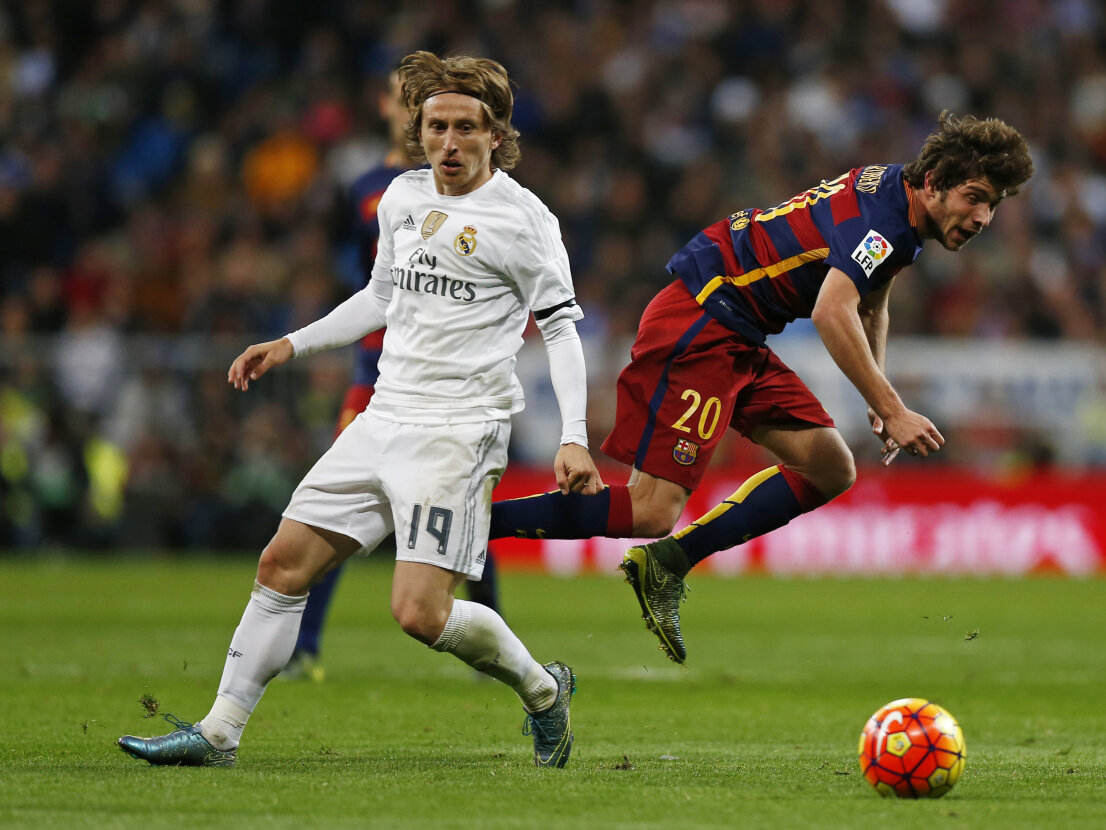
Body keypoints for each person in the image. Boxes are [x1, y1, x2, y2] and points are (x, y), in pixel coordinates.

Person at [118, 51, 603, 769]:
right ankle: (219, 733)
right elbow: (380, 297)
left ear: (495, 135)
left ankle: (542, 690)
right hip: (384, 415)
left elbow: (560, 330)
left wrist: (574, 436)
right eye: (436, 127)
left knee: (419, 613)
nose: (448, 142)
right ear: (418, 131)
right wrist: (291, 344)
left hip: (457, 430)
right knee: (282, 564)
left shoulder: (525, 221)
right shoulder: (402, 198)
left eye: (465, 128)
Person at [489, 111, 1034, 664]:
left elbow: (873, 300)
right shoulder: (885, 222)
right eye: (974, 198)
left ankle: (668, 563)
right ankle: (481, 524)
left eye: (993, 204)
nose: (983, 217)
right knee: (650, 510)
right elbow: (832, 311)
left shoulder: (899, 198)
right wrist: (891, 409)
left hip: (739, 329)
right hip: (702, 320)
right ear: (936, 182)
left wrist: (879, 392)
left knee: (830, 466)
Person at [281, 66, 505, 683]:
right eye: (404, 100)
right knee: (338, 498)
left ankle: (490, 626)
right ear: (387, 108)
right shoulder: (367, 189)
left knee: (462, 505)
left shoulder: (471, 189)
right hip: (374, 367)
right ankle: (305, 645)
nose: (413, 111)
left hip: (444, 373)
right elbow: (372, 282)